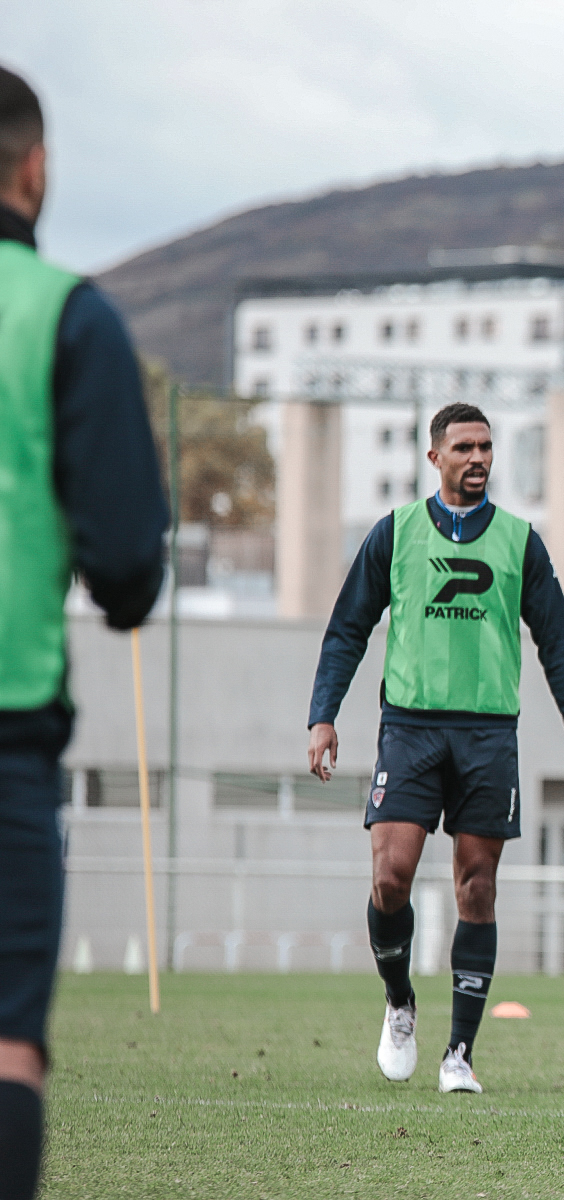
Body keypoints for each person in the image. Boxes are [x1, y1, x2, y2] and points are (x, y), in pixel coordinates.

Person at [307, 401, 564, 1094]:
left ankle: (459, 1053)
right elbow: (348, 628)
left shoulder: (521, 542)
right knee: (390, 876)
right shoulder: (396, 532)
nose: (478, 459)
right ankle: (399, 1002)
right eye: (464, 447)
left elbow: (558, 644)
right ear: (434, 456)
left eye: (486, 447)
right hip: (409, 729)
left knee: (477, 885)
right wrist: (323, 716)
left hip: (489, 735)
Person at [0, 66, 169, 1198]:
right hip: (6, 731)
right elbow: (124, 570)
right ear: (36, 168)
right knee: (7, 1046)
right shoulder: (65, 315)